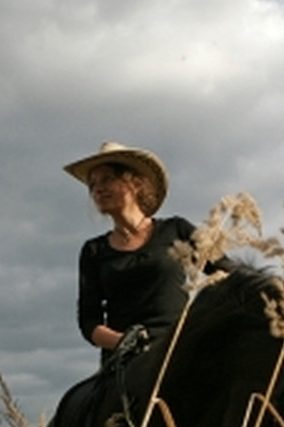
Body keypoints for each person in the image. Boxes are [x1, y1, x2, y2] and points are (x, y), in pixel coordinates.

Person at [64, 141, 197, 371]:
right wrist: (124, 342)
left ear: (135, 183)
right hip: (124, 365)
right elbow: (89, 323)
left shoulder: (177, 230)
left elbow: (227, 272)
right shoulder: (94, 251)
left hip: (180, 353)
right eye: (92, 184)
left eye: (106, 179)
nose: (97, 189)